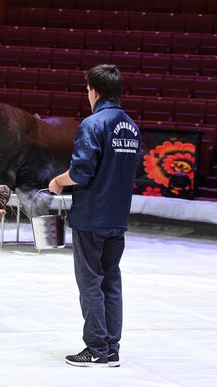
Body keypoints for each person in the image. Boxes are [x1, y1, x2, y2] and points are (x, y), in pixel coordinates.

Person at [48, 64, 142, 368]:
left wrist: (58, 182)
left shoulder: (93, 124)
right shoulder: (131, 127)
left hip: (91, 218)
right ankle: (111, 348)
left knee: (90, 282)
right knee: (111, 281)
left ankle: (97, 349)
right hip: (117, 217)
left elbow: (81, 172)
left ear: (94, 90)